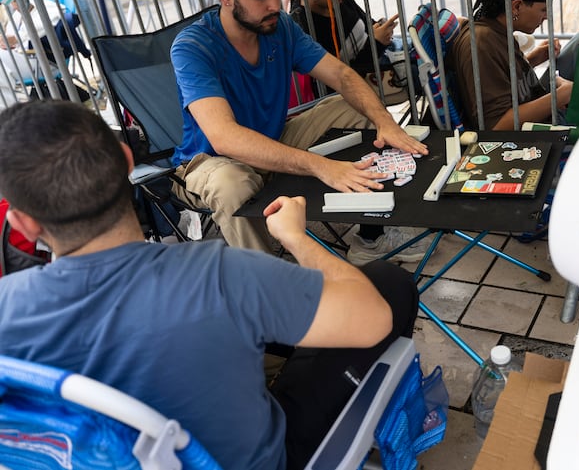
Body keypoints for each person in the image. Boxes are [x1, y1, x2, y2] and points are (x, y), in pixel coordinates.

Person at [0, 99, 419, 470]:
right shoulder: (218, 273)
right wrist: (296, 237)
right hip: (264, 459)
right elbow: (370, 319)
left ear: (22, 222)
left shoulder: (8, 308)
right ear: (128, 162)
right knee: (388, 283)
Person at [170, 0, 428, 257]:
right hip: (211, 162)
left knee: (354, 107)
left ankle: (371, 236)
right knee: (232, 184)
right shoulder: (193, 46)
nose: (275, 5)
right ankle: (271, 288)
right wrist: (320, 166)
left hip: (275, 140)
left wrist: (385, 122)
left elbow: (342, 76)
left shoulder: (281, 28)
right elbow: (225, 138)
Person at [283, 0, 430, 265]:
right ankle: (371, 235)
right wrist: (375, 44)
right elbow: (336, 76)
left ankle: (415, 190)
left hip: (372, 77)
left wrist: (379, 34)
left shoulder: (342, 3)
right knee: (430, 74)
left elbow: (354, 56)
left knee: (434, 62)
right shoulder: (298, 23)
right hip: (354, 87)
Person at [447, 0, 577, 131]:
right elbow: (497, 126)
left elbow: (500, 79)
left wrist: (532, 58)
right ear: (516, 6)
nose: (547, 16)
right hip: (534, 131)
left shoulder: (496, 30)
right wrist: (560, 96)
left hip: (535, 102)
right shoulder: (481, 43)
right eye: (543, 9)